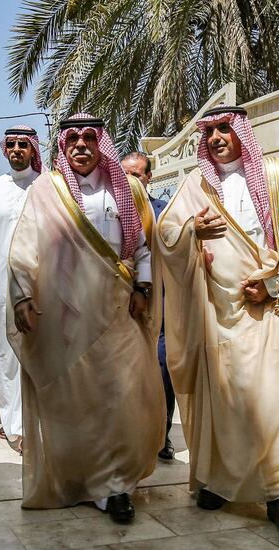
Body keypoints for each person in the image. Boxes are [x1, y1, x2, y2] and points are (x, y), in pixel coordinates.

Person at [155, 105, 279, 530]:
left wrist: (273, 284)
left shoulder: (274, 175)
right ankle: (221, 481)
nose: (216, 137)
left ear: (242, 132)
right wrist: (192, 229)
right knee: (225, 401)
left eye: (225, 128)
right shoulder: (196, 184)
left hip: (270, 308)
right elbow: (165, 235)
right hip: (216, 313)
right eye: (209, 131)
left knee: (276, 399)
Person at [8, 113, 164, 523]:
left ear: (101, 142)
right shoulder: (47, 189)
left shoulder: (127, 188)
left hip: (120, 313)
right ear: (63, 145)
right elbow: (24, 245)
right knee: (79, 403)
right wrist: (22, 294)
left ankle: (116, 486)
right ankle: (83, 479)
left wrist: (144, 290)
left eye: (89, 137)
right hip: (68, 317)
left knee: (123, 399)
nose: (80, 144)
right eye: (72, 138)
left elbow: (143, 247)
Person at [0, 126, 43, 445]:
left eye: (23, 145)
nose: (17, 149)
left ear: (33, 149)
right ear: (4, 150)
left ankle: (37, 420)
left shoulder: (47, 185)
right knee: (5, 356)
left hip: (41, 283)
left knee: (38, 351)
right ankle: (14, 424)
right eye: (11, 145)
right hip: (0, 283)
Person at [121, 151, 175, 461]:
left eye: (138, 174)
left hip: (159, 309)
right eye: (126, 173)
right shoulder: (109, 208)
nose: (132, 180)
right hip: (117, 308)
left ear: (149, 178)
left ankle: (162, 434)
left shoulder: (164, 213)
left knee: (161, 371)